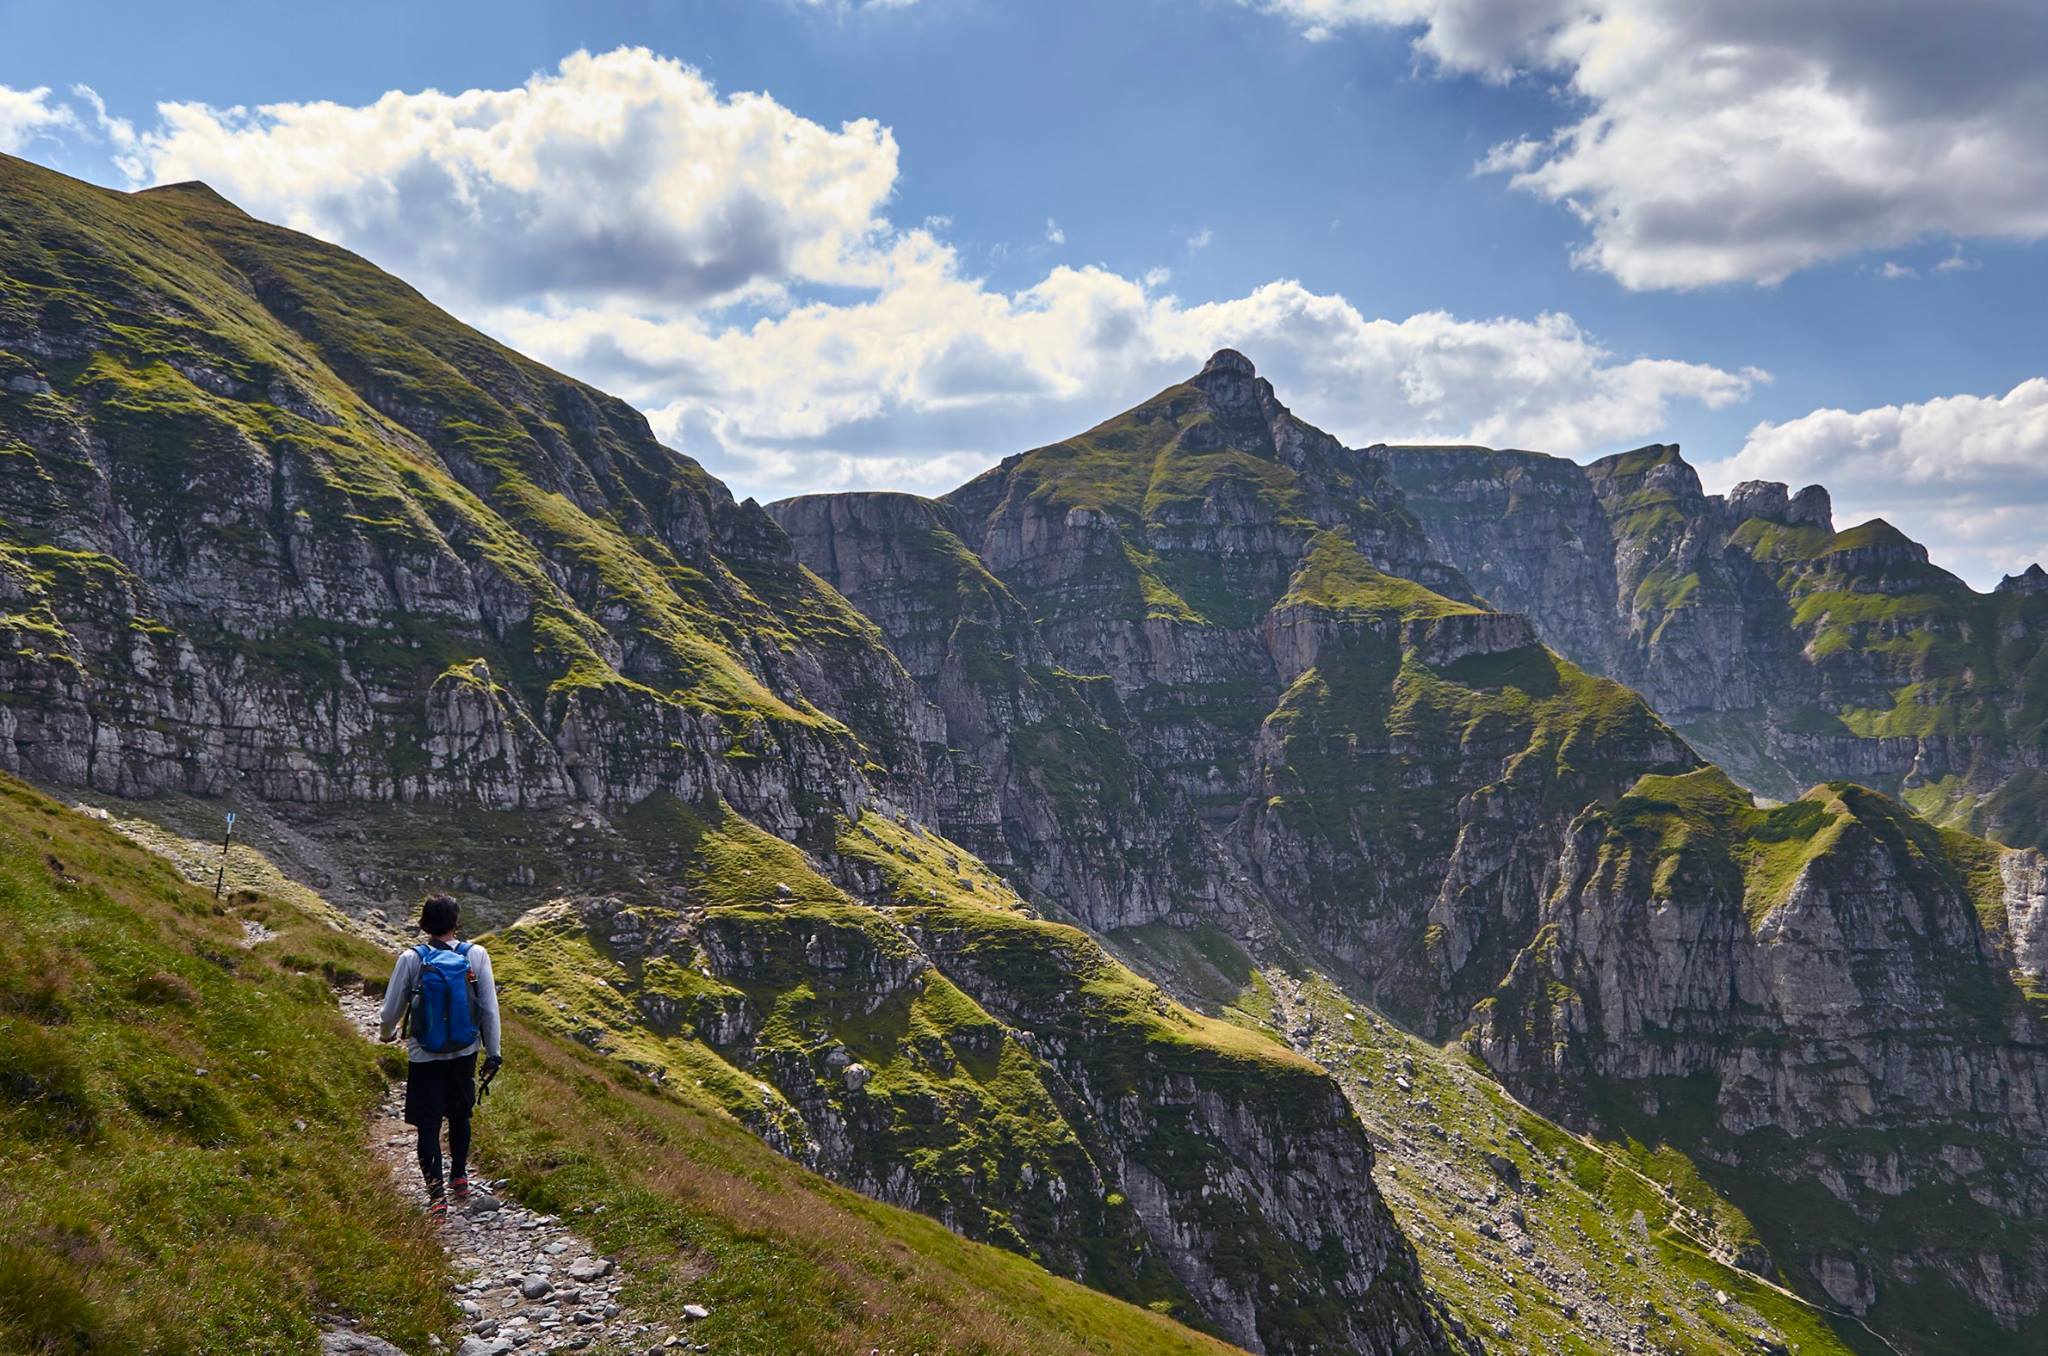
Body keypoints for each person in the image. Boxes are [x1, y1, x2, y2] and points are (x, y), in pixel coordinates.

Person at [379, 892, 502, 1217]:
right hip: (464, 1051)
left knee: (428, 1126)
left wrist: (386, 1034)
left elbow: (391, 1009)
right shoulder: (476, 955)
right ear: (455, 922)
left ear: (424, 924)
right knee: (460, 1115)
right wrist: (494, 1052)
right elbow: (489, 1008)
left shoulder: (411, 959)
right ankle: (459, 1177)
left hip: (424, 1056)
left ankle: (436, 1197)